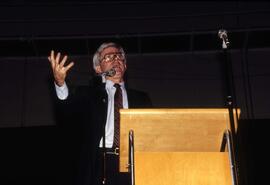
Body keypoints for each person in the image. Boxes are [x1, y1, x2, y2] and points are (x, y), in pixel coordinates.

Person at [48, 42, 152, 185]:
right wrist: (60, 83)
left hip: (133, 163)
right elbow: (66, 111)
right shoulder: (88, 95)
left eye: (119, 56)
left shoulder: (142, 98)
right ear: (98, 68)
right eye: (108, 57)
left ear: (125, 65)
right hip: (99, 162)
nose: (116, 60)